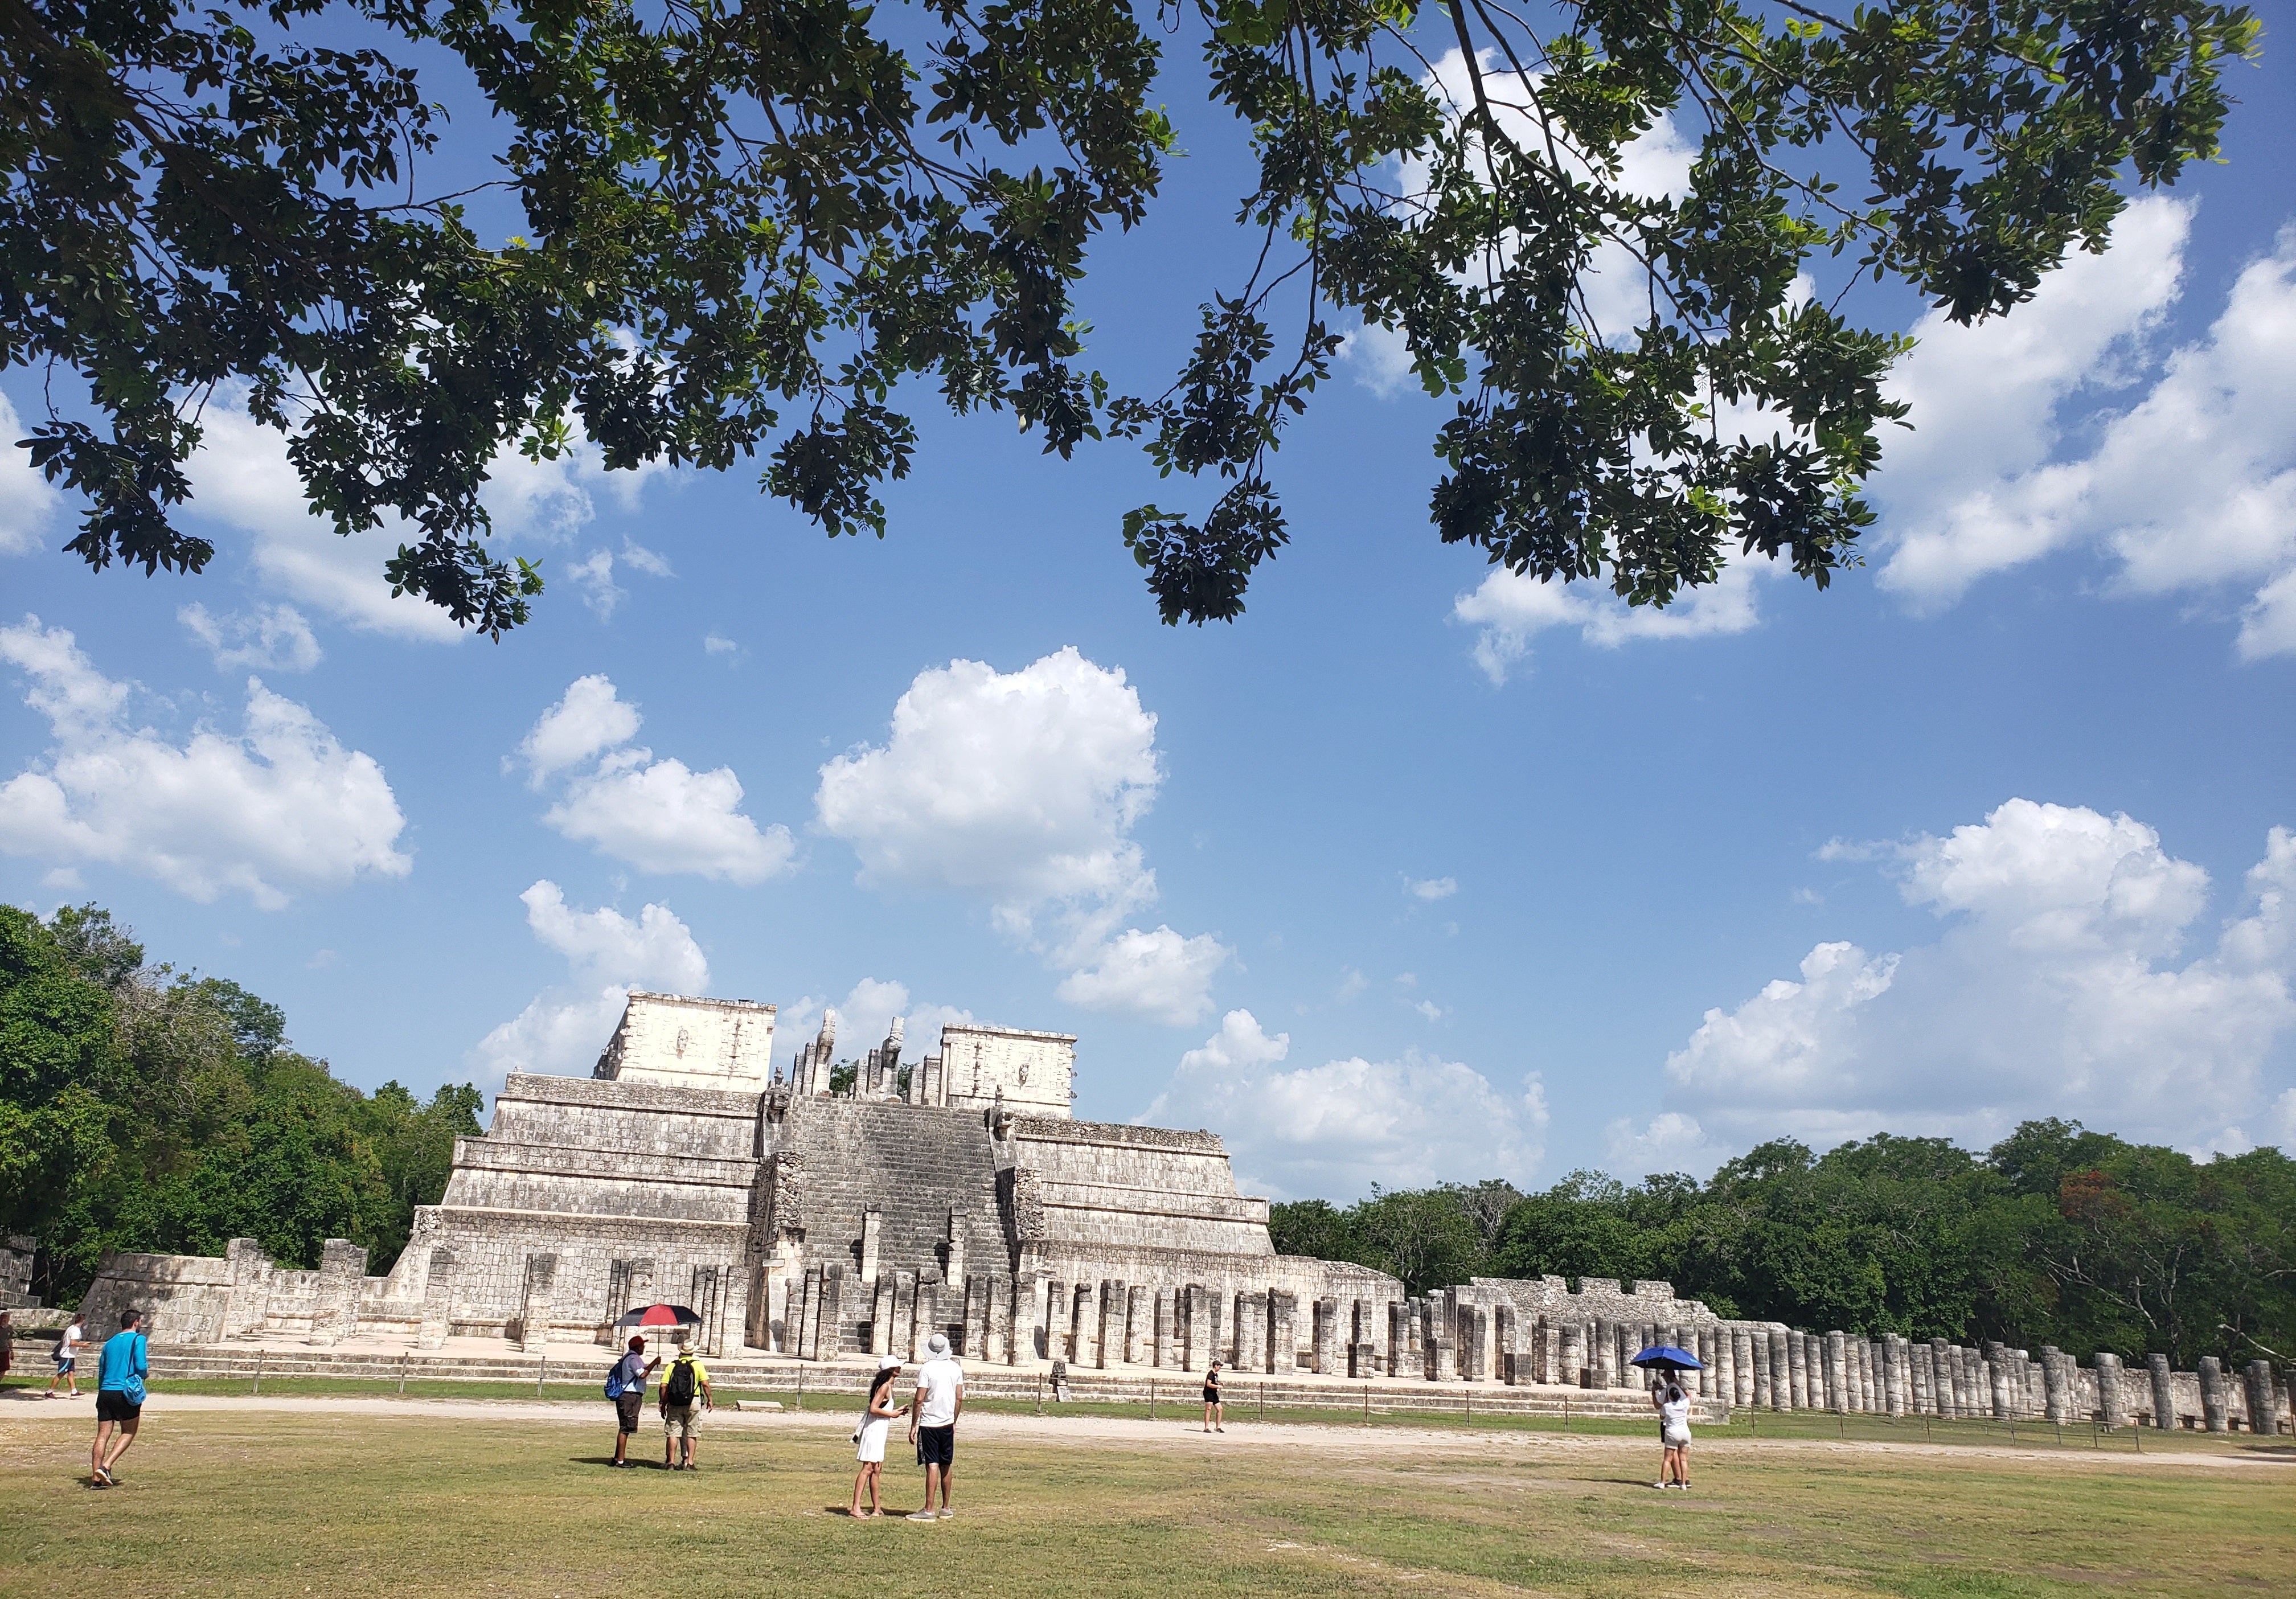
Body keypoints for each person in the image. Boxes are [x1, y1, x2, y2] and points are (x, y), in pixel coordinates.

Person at [905, 1331, 964, 1522]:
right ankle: (946, 1507)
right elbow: (959, 1397)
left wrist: (914, 1424)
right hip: (947, 1423)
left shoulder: (927, 1368)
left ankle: (929, 1509)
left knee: (932, 1464)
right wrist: (953, 1420)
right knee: (946, 1464)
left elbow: (919, 1398)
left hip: (929, 1423)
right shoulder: (956, 1368)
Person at [91, 1309, 147, 1487]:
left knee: (102, 1435)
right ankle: (106, 1467)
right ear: (136, 1322)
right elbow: (141, 1365)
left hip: (106, 1391)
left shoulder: (109, 1343)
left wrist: (102, 1391)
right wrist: (145, 1374)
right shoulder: (139, 1339)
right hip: (124, 1391)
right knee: (129, 1431)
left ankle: (95, 1479)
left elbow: (102, 1370)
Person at [848, 1354, 903, 1517]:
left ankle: (877, 1507)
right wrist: (892, 1414)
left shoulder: (888, 1387)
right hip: (874, 1430)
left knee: (876, 1469)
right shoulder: (885, 1386)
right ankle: (855, 1507)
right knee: (868, 1468)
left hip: (880, 1431)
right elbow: (873, 1408)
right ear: (891, 1370)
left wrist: (895, 1412)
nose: (900, 1369)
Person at [605, 1335, 659, 1468]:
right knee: (626, 1427)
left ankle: (618, 1457)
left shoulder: (629, 1358)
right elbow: (642, 1374)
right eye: (642, 1346)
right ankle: (621, 1461)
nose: (644, 1348)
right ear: (638, 1347)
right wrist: (654, 1362)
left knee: (625, 1426)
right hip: (630, 1396)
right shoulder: (634, 1358)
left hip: (628, 1395)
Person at [657, 1342, 712, 1470]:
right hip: (693, 1401)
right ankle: (689, 1462)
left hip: (675, 1402)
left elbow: (663, 1386)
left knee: (673, 1432)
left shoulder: (672, 1366)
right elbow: (705, 1384)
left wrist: (663, 1402)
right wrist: (710, 1399)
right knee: (692, 1432)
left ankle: (670, 1462)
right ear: (693, 1352)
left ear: (681, 1352)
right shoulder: (698, 1365)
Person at [1654, 1376, 1692, 1489]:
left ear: (1670, 1396)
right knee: (1684, 1459)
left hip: (1672, 1431)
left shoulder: (1667, 1406)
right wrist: (1677, 1383)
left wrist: (1657, 1394)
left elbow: (1661, 1415)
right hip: (1685, 1432)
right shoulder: (1684, 1404)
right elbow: (1689, 1395)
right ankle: (1684, 1484)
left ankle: (1662, 1482)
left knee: (1668, 1458)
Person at [48, 1313, 86, 1398]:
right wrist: (83, 1345)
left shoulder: (71, 1328)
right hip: (67, 1355)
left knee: (71, 1373)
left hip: (71, 1355)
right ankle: (49, 1391)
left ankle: (74, 1391)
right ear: (83, 1321)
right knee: (61, 1373)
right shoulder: (75, 1330)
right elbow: (73, 1343)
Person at [1202, 1360, 1224, 1432]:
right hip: (1208, 1393)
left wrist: (1220, 1383)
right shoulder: (1210, 1374)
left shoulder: (1216, 1374)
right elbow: (1209, 1384)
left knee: (1220, 1409)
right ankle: (1206, 1427)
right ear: (1216, 1366)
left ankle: (1218, 1427)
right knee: (1209, 1409)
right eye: (1219, 1366)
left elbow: (1214, 1382)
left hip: (1214, 1393)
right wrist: (1218, 1387)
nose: (1220, 1368)